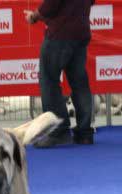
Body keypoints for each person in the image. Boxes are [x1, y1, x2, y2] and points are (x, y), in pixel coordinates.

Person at [24, 0, 95, 147]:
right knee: (79, 83)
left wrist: (34, 16)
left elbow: (51, 4)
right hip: (81, 32)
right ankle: (85, 133)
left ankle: (58, 131)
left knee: (49, 81)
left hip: (60, 33)